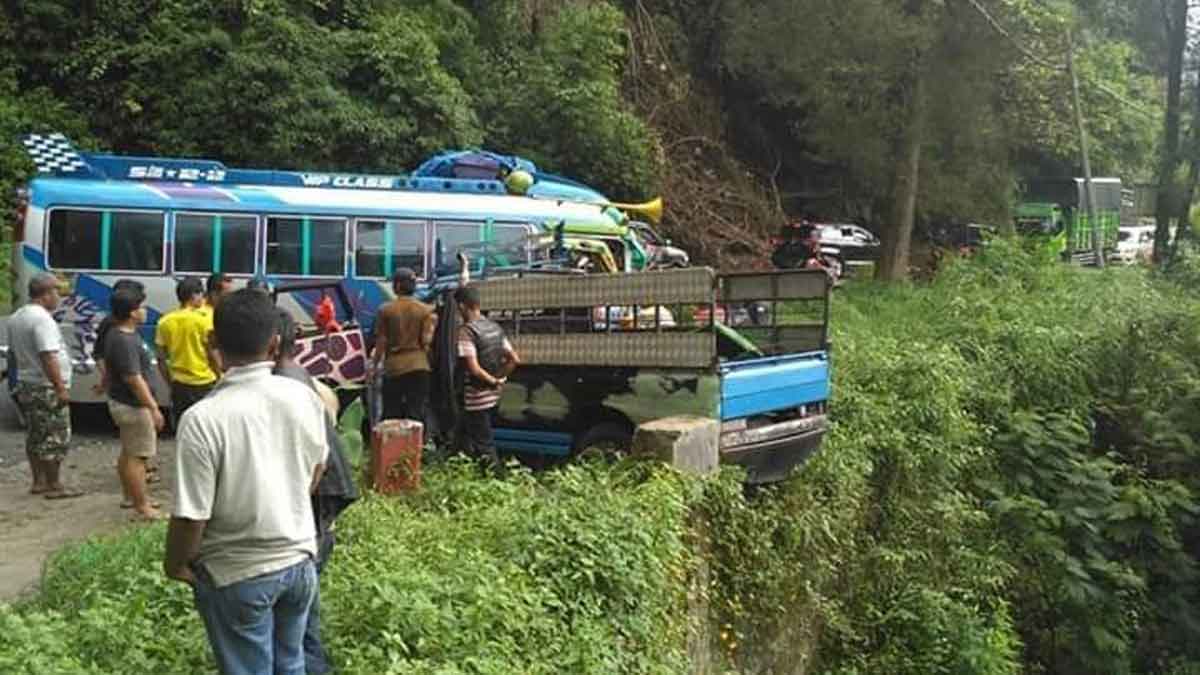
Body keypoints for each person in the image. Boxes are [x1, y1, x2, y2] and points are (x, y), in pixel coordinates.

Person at [164, 289, 329, 675]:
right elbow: (317, 470)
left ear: (212, 343)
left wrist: (175, 565)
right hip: (300, 562)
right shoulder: (304, 397)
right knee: (290, 664)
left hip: (238, 573)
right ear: (275, 343)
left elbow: (192, 515)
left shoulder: (204, 418)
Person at [273, 309, 359, 675]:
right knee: (302, 617)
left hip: (309, 519)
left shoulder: (285, 389)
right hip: (319, 515)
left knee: (293, 626)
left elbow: (314, 467)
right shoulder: (305, 381)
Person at [8, 272, 81, 499]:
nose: (59, 296)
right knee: (56, 435)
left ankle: (38, 481)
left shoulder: (18, 316)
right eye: (57, 292)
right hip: (45, 386)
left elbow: (12, 354)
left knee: (35, 434)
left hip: (27, 382)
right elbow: (48, 355)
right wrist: (59, 387)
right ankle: (54, 484)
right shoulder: (42, 320)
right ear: (46, 294)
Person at [106, 285, 165, 520]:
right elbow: (133, 378)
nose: (145, 310)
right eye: (141, 306)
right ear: (132, 312)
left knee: (129, 451)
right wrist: (153, 407)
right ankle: (142, 506)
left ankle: (131, 497)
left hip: (125, 402)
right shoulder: (124, 340)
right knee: (138, 457)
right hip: (133, 406)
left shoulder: (123, 333)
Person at [455, 285, 520, 471]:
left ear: (461, 307)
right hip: (493, 396)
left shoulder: (467, 332)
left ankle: (496, 477)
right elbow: (514, 358)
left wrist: (492, 381)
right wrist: (501, 378)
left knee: (484, 443)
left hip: (476, 396)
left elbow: (473, 369)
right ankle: (462, 468)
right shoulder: (494, 326)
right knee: (466, 434)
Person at [371, 268, 436, 422]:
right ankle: (415, 445)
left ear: (398, 286)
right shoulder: (426, 310)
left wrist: (375, 366)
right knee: (416, 412)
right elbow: (426, 341)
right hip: (419, 367)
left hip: (394, 368)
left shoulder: (386, 310)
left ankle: (393, 445)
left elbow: (381, 341)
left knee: (391, 412)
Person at [156, 277, 220, 430]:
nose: (203, 299)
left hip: (179, 384)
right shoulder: (204, 322)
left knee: (183, 427)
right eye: (201, 295)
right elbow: (212, 354)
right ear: (194, 296)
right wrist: (220, 376)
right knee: (206, 428)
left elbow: (161, 359)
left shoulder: (164, 321)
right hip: (204, 382)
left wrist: (170, 382)